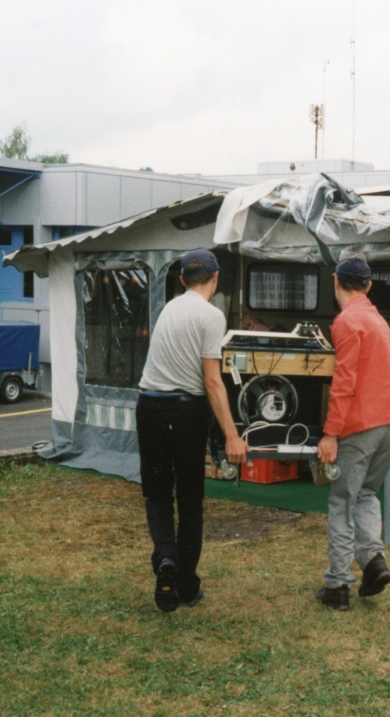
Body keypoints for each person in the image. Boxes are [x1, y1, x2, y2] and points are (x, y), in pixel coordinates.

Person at [137, 248, 247, 612]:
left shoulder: (169, 308)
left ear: (182, 280)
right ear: (215, 279)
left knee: (156, 494)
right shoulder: (211, 316)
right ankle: (186, 585)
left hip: (149, 407)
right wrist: (232, 435)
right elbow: (213, 382)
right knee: (189, 500)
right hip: (185, 411)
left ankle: (166, 560)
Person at [316, 256, 390, 611]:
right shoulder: (377, 319)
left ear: (335, 282)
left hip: (364, 426)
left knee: (342, 503)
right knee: (367, 493)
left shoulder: (347, 321)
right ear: (370, 286)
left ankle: (338, 586)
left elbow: (344, 382)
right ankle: (374, 563)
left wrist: (330, 433)